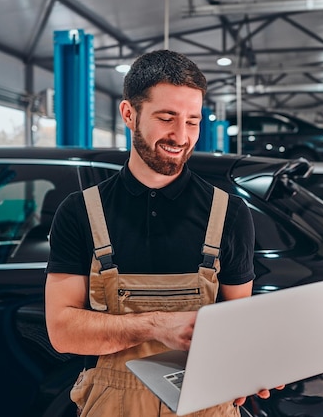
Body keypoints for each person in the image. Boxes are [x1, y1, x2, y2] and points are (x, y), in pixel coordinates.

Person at [45, 49, 277, 416]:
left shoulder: (229, 214)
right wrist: (157, 325)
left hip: (203, 404)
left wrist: (252, 366)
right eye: (167, 118)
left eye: (193, 121)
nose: (181, 136)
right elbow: (63, 331)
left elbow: (238, 327)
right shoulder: (81, 212)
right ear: (128, 114)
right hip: (113, 404)